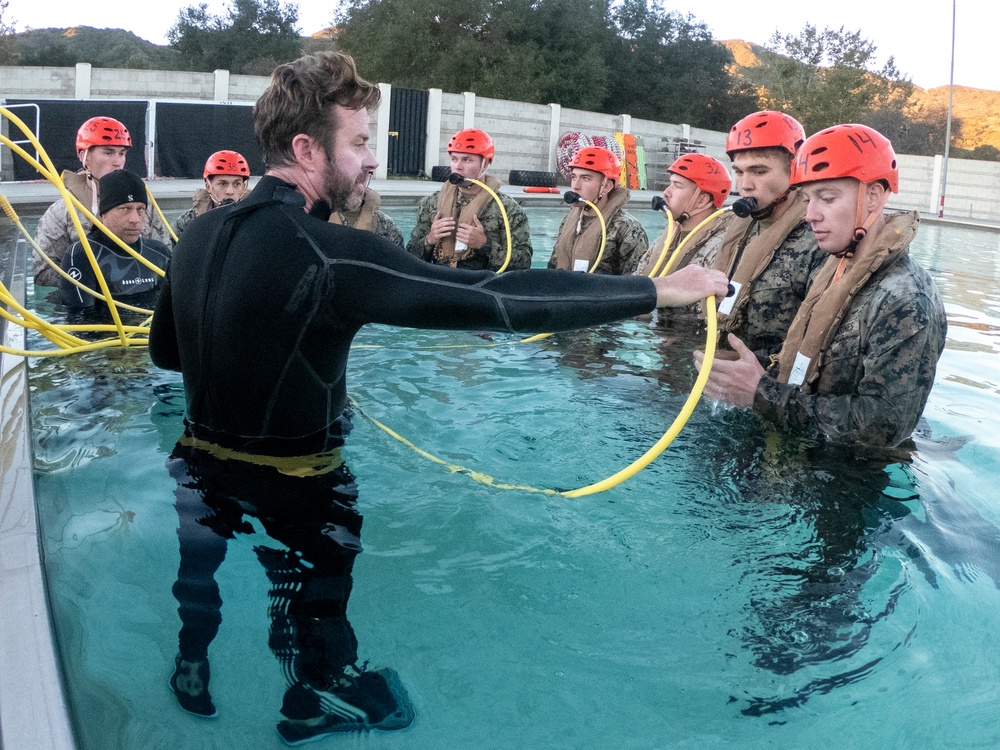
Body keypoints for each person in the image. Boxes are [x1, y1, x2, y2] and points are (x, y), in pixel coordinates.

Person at [148, 51, 728, 742]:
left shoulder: (197, 235)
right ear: (307, 148)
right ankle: (310, 706)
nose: (371, 163)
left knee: (198, 576)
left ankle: (191, 670)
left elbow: (166, 354)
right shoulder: (331, 252)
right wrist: (659, 289)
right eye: (360, 143)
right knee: (313, 599)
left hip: (196, 466)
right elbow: (495, 300)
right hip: (300, 485)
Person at [694, 123, 947, 449]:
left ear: (873, 196)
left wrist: (761, 393)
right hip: (796, 461)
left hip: (845, 486)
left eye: (826, 198)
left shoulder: (906, 299)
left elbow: (884, 428)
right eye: (807, 199)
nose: (811, 214)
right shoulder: (837, 269)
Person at [711, 111, 827, 366]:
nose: (745, 185)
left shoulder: (819, 239)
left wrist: (758, 374)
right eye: (739, 172)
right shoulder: (739, 229)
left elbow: (820, 344)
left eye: (759, 171)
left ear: (794, 170)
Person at [33, 116, 172, 287]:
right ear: (84, 156)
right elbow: (42, 273)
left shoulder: (144, 206)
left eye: (122, 153)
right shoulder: (62, 212)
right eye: (108, 152)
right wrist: (90, 278)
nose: (117, 162)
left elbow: (165, 256)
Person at [406, 129, 531, 269]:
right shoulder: (431, 203)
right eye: (454, 159)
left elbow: (523, 263)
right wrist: (430, 239)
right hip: (441, 281)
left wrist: (484, 244)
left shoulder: (508, 209)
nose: (457, 167)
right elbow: (409, 256)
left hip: (482, 285)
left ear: (485, 163)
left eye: (467, 160)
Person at [58, 169, 170, 323]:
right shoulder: (82, 255)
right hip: (109, 341)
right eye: (125, 209)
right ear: (103, 213)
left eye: (140, 210)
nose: (135, 219)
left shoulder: (159, 253)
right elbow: (80, 321)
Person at [548, 146, 648, 275]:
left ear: (606, 186)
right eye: (574, 177)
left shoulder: (626, 228)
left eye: (586, 178)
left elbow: (635, 283)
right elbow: (552, 267)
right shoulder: (569, 221)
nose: (575, 186)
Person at [636, 153, 736, 277]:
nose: (666, 192)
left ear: (701, 200)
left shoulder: (721, 246)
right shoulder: (671, 233)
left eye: (677, 186)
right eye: (670, 184)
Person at [173, 150, 251, 238]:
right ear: (208, 187)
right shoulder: (188, 222)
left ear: (244, 187)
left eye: (237, 184)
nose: (230, 191)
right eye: (222, 184)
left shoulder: (255, 219)